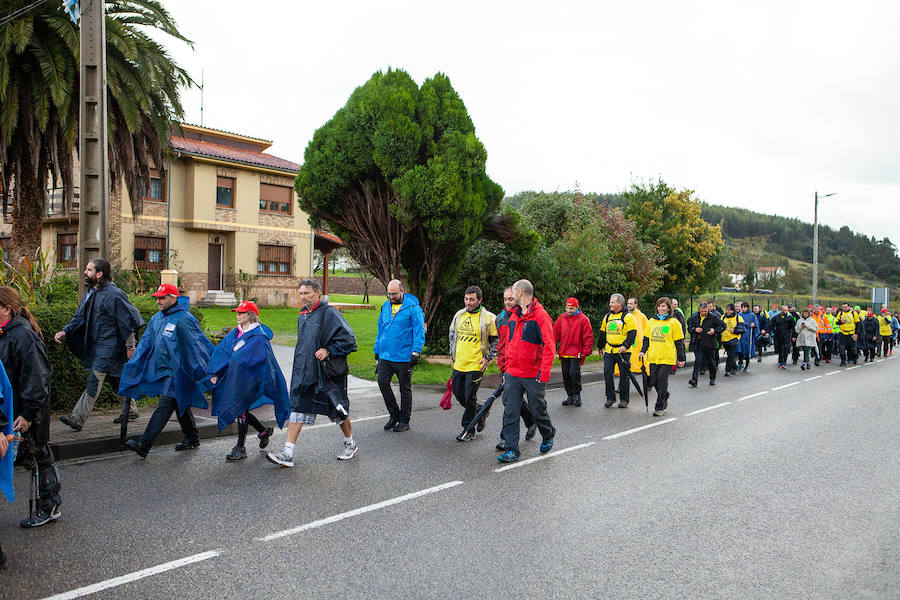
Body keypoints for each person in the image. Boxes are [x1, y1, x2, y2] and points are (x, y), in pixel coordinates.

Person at [267, 279, 358, 467]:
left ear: (317, 294)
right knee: (297, 407)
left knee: (338, 410)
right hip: (304, 373)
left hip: (326, 375)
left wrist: (329, 350)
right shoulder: (303, 315)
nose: (303, 297)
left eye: (306, 293)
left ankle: (350, 443)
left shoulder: (330, 314)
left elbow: (349, 340)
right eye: (300, 294)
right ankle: (288, 453)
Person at [121, 284, 214, 458]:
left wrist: (211, 368)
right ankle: (192, 437)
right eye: (157, 297)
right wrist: (134, 363)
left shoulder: (184, 318)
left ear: (173, 298)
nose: (158, 301)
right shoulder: (157, 319)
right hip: (165, 371)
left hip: (179, 373)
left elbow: (197, 344)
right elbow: (147, 343)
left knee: (165, 405)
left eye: (162, 298)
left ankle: (144, 444)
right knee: (179, 403)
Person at [56, 258, 145, 431]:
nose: (84, 272)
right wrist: (65, 331)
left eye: (88, 270)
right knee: (116, 378)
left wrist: (130, 347)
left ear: (99, 273)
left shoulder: (114, 294)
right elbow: (79, 316)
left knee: (94, 380)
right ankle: (131, 410)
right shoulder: (90, 292)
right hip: (98, 345)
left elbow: (128, 322)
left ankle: (77, 418)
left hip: (111, 347)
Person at [0, 286, 61, 527]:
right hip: (14, 409)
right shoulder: (6, 333)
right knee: (33, 455)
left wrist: (27, 414)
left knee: (39, 454)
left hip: (29, 410)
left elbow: (37, 376)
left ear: (7, 308)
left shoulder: (22, 335)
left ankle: (49, 505)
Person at [207, 301, 288, 461]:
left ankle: (240, 447)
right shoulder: (236, 333)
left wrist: (238, 362)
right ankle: (263, 431)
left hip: (251, 379)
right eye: (237, 312)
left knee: (239, 408)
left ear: (250, 315)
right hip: (235, 378)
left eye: (241, 313)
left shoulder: (258, 336)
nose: (238, 315)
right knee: (240, 409)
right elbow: (221, 351)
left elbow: (259, 359)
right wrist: (215, 371)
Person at [497, 280, 556, 463]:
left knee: (537, 410)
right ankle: (512, 449)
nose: (510, 296)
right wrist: (506, 368)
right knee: (511, 411)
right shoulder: (513, 315)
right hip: (513, 373)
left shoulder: (541, 316)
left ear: (520, 293)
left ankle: (548, 433)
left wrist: (544, 372)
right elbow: (509, 343)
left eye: (513, 292)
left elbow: (549, 346)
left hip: (533, 374)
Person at [374, 279, 425, 432]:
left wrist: (416, 352)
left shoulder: (413, 308)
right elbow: (380, 329)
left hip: (404, 356)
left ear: (402, 291)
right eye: (388, 294)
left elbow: (419, 331)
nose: (391, 297)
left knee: (405, 388)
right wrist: (377, 350)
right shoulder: (385, 306)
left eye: (394, 294)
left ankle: (404, 420)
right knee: (382, 382)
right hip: (386, 354)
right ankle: (394, 414)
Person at [448, 286, 498, 441]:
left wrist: (488, 357)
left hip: (476, 364)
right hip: (459, 363)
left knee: (469, 396)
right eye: (466, 299)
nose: (468, 302)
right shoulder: (459, 315)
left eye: (471, 299)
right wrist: (452, 356)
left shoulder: (489, 318)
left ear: (479, 300)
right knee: (458, 394)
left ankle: (468, 429)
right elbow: (452, 336)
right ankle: (480, 412)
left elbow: (496, 340)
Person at [493, 287, 537, 452]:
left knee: (510, 405)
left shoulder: (524, 316)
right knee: (513, 401)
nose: (507, 302)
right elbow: (501, 344)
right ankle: (530, 420)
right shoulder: (499, 319)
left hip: (521, 368)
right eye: (505, 299)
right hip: (505, 365)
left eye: (510, 299)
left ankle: (506, 439)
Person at [639, 297, 686, 417]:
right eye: (659, 306)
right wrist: (643, 351)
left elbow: (679, 342)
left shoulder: (673, 322)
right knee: (653, 381)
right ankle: (664, 395)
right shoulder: (651, 321)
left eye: (663, 306)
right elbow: (646, 339)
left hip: (667, 357)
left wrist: (681, 358)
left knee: (662, 381)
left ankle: (659, 407)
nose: (661, 308)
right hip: (653, 356)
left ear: (669, 308)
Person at [598, 293, 637, 407]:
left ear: (620, 303)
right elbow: (603, 333)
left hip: (622, 352)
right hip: (610, 350)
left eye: (612, 302)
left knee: (624, 376)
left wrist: (625, 346)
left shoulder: (628, 317)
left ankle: (624, 400)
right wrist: (600, 346)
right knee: (607, 373)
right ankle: (610, 398)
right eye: (610, 302)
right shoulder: (607, 317)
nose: (610, 304)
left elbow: (632, 335)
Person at [554, 297, 593, 407]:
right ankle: (569, 396)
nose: (569, 310)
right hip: (564, 351)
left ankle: (577, 395)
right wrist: (549, 344)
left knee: (574, 373)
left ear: (576, 307)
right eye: (567, 308)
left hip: (576, 352)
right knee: (565, 374)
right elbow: (555, 333)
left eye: (571, 308)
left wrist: (586, 351)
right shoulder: (562, 318)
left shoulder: (583, 319)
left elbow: (588, 336)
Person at [686, 302, 725, 386]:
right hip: (698, 342)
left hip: (710, 343)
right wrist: (695, 329)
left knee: (711, 362)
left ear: (708, 310)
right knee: (698, 361)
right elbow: (689, 328)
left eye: (705, 311)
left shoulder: (713, 317)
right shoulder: (694, 317)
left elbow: (723, 326)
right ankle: (694, 380)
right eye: (702, 311)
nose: (703, 313)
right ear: (699, 310)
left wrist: (714, 331)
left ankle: (712, 378)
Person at [720, 304, 745, 377]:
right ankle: (735, 367)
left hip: (734, 338)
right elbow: (719, 325)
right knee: (729, 354)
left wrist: (734, 331)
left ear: (732, 310)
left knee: (730, 354)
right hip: (724, 339)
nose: (727, 311)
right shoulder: (723, 317)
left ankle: (727, 370)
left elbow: (742, 328)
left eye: (728, 310)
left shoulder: (738, 318)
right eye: (726, 310)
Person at [769, 304, 796, 369]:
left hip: (786, 336)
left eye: (786, 310)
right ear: (781, 310)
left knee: (785, 349)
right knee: (780, 349)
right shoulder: (776, 317)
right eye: (784, 310)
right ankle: (780, 360)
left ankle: (784, 362)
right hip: (778, 336)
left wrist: (794, 336)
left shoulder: (790, 318)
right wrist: (771, 331)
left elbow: (794, 328)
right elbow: (771, 325)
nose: (786, 312)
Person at [736, 302, 758, 371]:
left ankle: (747, 364)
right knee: (740, 350)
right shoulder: (739, 315)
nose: (743, 309)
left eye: (745, 307)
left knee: (748, 350)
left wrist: (754, 325)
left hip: (748, 336)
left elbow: (757, 324)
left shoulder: (752, 315)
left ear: (748, 307)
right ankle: (740, 363)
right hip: (740, 335)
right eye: (742, 307)